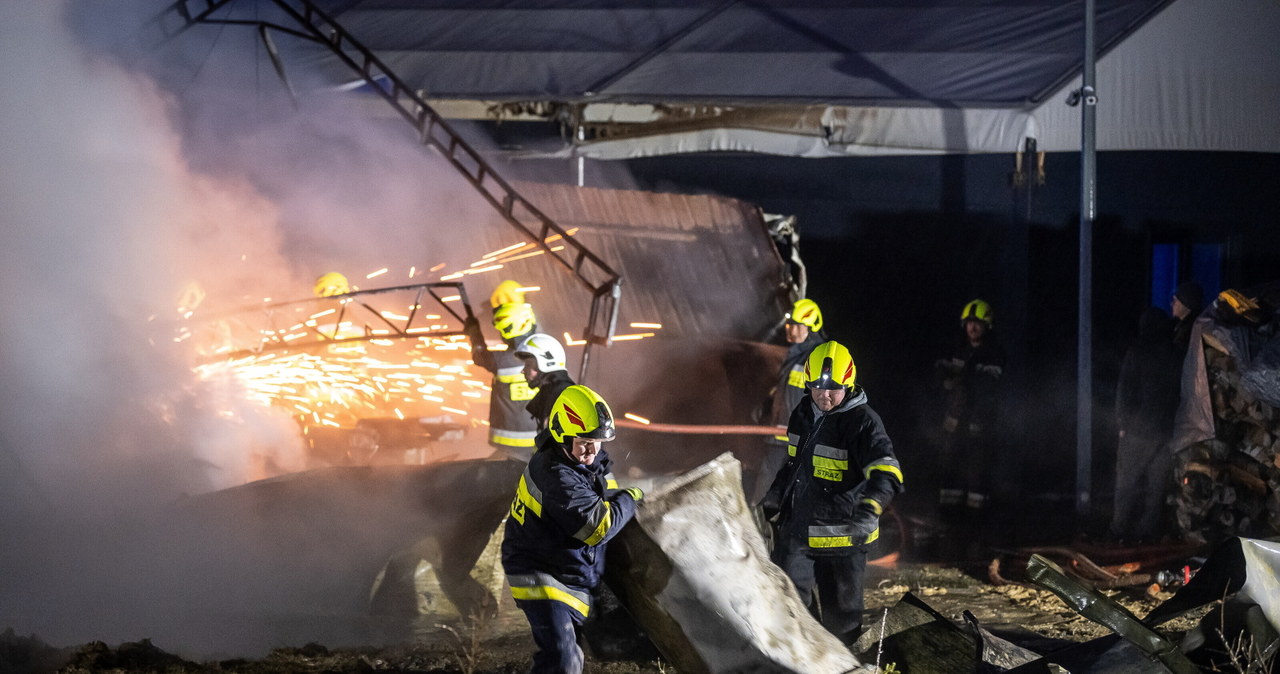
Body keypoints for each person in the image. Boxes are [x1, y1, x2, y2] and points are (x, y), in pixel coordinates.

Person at [760, 340, 904, 645]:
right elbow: (794, 464)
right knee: (787, 602)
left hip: (844, 539)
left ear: (848, 384)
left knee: (843, 622)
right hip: (799, 532)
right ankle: (806, 656)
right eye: (816, 386)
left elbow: (887, 471)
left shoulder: (863, 423)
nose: (824, 395)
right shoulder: (802, 412)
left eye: (833, 388)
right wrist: (774, 498)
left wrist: (870, 509)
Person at [501, 385, 644, 674]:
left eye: (598, 442)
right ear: (561, 436)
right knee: (563, 662)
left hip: (567, 567)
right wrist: (631, 499)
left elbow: (604, 490)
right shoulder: (555, 475)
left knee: (570, 657)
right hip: (540, 573)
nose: (592, 452)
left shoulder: (582, 459)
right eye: (584, 443)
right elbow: (598, 527)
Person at [1112, 306, 1181, 543]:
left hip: (1138, 430)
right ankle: (1147, 533)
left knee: (1127, 483)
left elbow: (1125, 389)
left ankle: (1119, 531)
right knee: (1156, 486)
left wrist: (1122, 422)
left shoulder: (1137, 352)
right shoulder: (1174, 353)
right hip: (1165, 431)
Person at [935, 299, 1006, 522]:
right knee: (950, 470)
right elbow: (945, 381)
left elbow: (987, 385)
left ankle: (976, 523)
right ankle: (949, 519)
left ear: (987, 326)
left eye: (977, 323)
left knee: (977, 474)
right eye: (969, 323)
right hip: (955, 423)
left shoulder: (994, 353)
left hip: (980, 424)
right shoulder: (959, 350)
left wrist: (962, 375)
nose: (972, 328)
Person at [754, 299, 828, 498]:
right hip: (778, 437)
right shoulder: (793, 356)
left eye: (796, 326)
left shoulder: (821, 359)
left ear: (811, 328)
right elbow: (784, 391)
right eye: (789, 325)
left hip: (804, 442)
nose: (791, 330)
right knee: (765, 491)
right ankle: (762, 527)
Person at [477, 281, 542, 460]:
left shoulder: (501, 360)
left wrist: (473, 330)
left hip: (507, 443)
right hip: (539, 439)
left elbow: (478, 355)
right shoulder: (547, 354)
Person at [514, 332, 576, 436]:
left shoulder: (562, 397)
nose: (523, 371)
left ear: (545, 363)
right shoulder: (551, 393)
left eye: (528, 365)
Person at [1171, 281, 1204, 353]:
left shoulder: (1191, 331)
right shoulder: (1179, 327)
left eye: (1175, 300)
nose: (1172, 304)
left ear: (1186, 303)